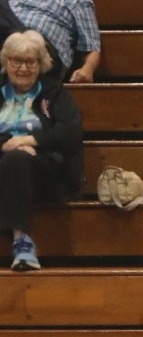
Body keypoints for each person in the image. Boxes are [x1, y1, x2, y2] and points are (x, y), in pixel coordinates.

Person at [0, 30, 82, 271]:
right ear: (7, 62)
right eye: (17, 61)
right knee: (13, 158)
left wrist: (30, 140)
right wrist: (8, 144)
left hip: (46, 167)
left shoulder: (54, 93)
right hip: (5, 161)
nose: (23, 68)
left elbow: (71, 133)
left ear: (41, 64)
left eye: (30, 61)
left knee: (16, 159)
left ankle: (21, 241)